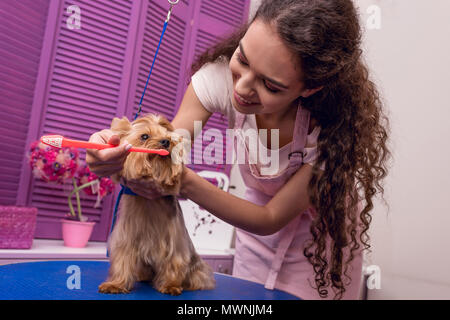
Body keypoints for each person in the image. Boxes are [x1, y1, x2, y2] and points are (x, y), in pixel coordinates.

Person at [87, 0, 390, 300]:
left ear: (310, 87)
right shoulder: (218, 78)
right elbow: (170, 151)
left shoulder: (330, 129)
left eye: (270, 86)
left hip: (322, 252)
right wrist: (114, 150)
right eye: (242, 60)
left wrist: (185, 182)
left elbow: (270, 217)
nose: (242, 88)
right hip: (253, 241)